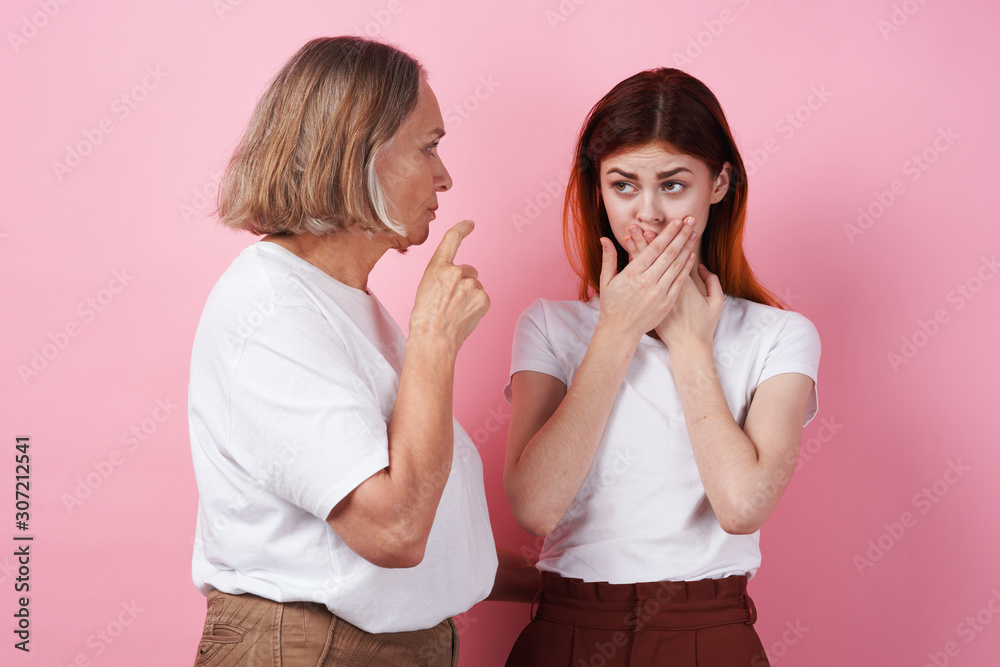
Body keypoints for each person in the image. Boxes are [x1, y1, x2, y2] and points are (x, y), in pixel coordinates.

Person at [188, 36, 535, 667]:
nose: (445, 175)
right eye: (428, 146)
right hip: (310, 649)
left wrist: (572, 582)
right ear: (358, 153)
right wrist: (435, 342)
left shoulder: (346, 307)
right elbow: (395, 531)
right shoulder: (271, 308)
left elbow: (423, 545)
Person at [503, 68, 821, 666]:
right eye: (623, 185)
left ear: (719, 182)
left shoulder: (779, 335)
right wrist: (618, 330)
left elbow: (741, 505)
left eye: (673, 185)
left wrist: (692, 347)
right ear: (598, 189)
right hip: (568, 627)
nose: (646, 213)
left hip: (708, 632)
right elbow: (535, 507)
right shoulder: (549, 326)